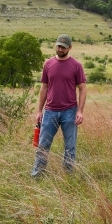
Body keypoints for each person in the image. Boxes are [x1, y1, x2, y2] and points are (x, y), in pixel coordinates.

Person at [31, 34, 86, 177]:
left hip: (70, 111)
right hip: (50, 111)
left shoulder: (76, 66)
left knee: (70, 147)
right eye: (58, 46)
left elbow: (82, 88)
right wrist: (39, 111)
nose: (60, 49)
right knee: (43, 146)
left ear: (70, 48)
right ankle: (37, 175)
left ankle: (68, 177)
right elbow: (44, 88)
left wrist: (80, 111)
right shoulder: (48, 64)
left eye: (63, 47)